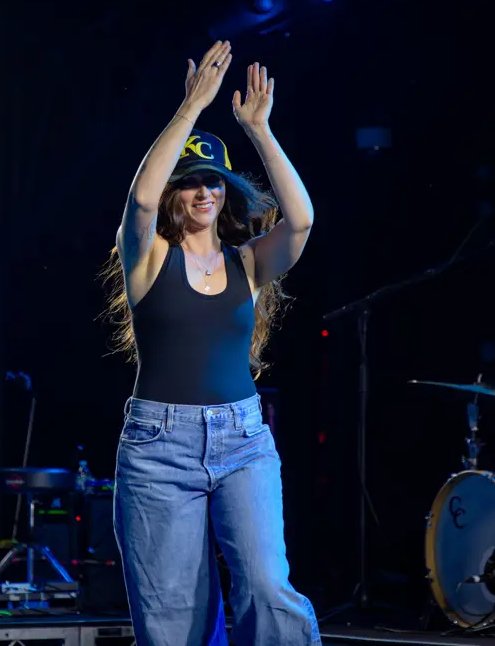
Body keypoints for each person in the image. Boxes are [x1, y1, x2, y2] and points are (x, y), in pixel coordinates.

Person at [102, 40, 320, 645]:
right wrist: (189, 110)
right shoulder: (146, 259)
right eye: (192, 183)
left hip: (242, 441)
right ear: (176, 193)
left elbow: (299, 222)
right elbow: (140, 200)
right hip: (157, 447)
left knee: (268, 587)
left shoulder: (247, 264)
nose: (204, 193)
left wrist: (259, 130)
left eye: (215, 183)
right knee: (173, 615)